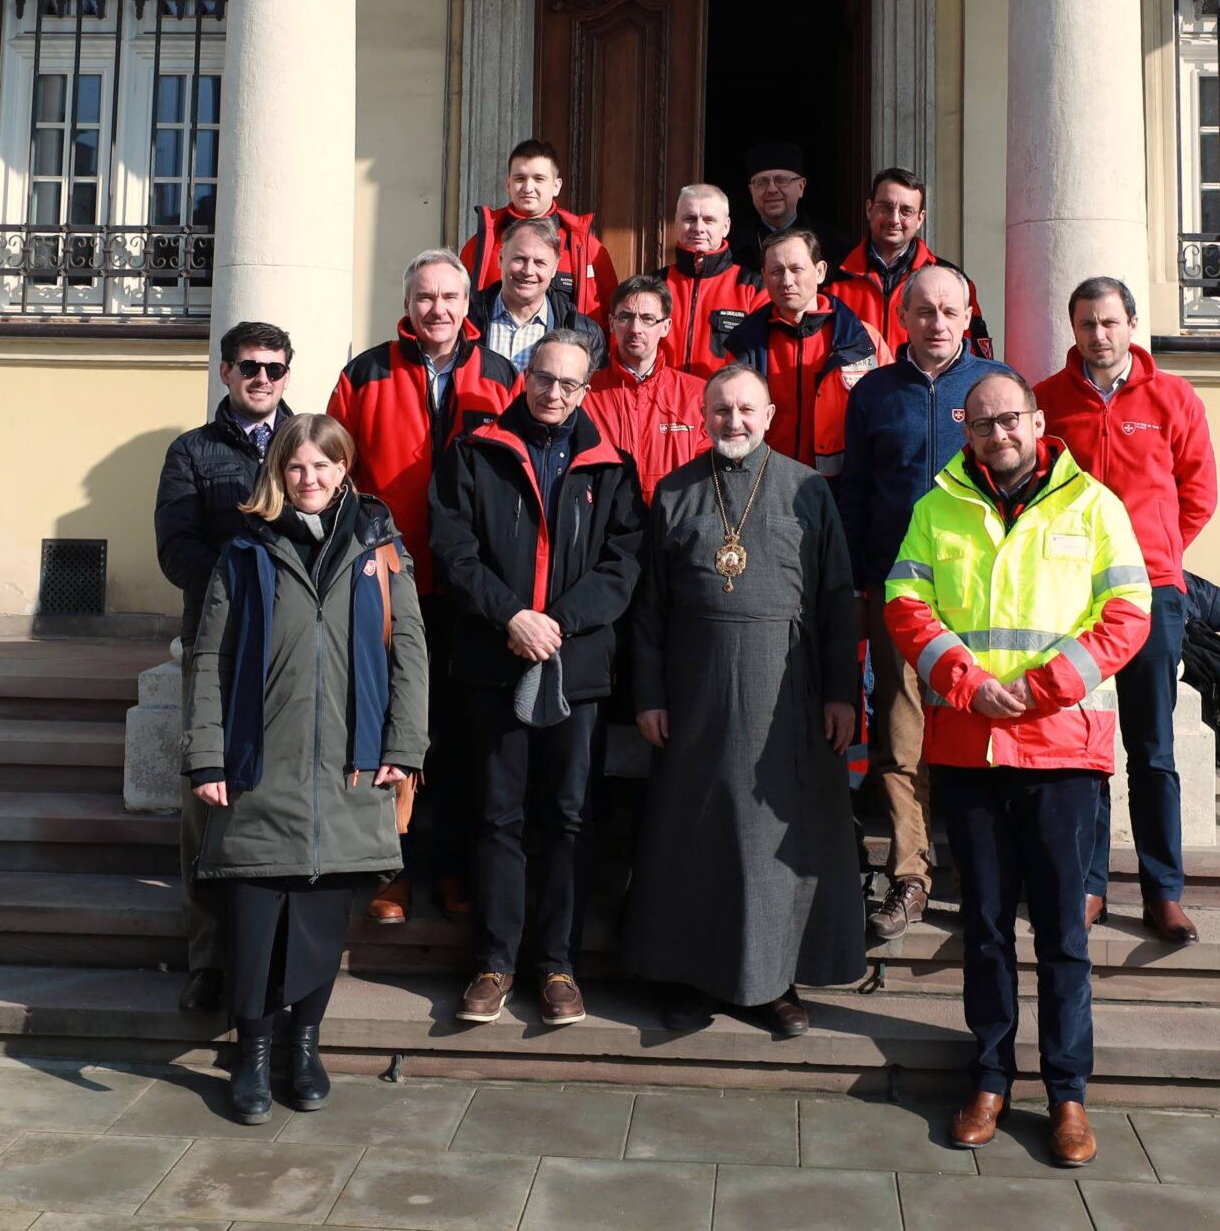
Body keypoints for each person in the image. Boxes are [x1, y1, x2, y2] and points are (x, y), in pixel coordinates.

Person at [882, 371, 1153, 1167]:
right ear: (966, 431)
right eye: (983, 423)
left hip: (1061, 748)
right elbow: (905, 603)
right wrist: (966, 682)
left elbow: (1127, 615)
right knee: (987, 930)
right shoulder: (937, 508)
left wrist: (1040, 687)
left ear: (1038, 421)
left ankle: (1067, 1094)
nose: (998, 434)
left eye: (1011, 420)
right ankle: (991, 1077)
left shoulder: (1093, 505)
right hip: (970, 745)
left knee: (1065, 936)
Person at [184, 413, 428, 1125]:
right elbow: (210, 659)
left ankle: (305, 1044)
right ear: (279, 473)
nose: (310, 478)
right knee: (256, 918)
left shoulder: (379, 549)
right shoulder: (246, 550)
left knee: (321, 919)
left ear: (345, 470)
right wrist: (206, 753)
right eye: (297, 466)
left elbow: (409, 651)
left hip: (349, 770)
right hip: (260, 765)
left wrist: (404, 747)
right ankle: (254, 1051)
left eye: (324, 465)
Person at [620, 366, 867, 1037]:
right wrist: (648, 695)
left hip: (786, 693)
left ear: (770, 413)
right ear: (702, 415)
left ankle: (772, 982)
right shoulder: (675, 491)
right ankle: (689, 977)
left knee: (770, 844)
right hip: (693, 692)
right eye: (721, 410)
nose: (734, 422)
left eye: (746, 410)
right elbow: (648, 612)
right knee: (695, 836)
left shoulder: (807, 490)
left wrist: (844, 694)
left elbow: (836, 599)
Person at [431, 333, 644, 1028]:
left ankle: (557, 965)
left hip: (575, 668)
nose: (555, 392)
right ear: (524, 377)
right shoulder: (476, 451)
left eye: (570, 383)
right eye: (544, 378)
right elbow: (453, 549)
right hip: (496, 660)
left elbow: (623, 564)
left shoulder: (611, 465)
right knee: (497, 815)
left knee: (570, 817)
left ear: (588, 390)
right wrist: (511, 617)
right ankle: (493, 963)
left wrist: (557, 623)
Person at [329, 249, 520, 925]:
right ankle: (390, 869)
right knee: (391, 727)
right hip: (388, 582)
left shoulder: (501, 376)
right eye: (424, 297)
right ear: (406, 302)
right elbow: (333, 476)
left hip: (471, 588)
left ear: (469, 304)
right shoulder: (365, 372)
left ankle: (454, 869)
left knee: (465, 734)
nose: (436, 309)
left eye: (449, 297)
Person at [825, 268, 1013, 944]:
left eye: (950, 311)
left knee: (970, 730)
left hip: (977, 594)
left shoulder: (995, 386)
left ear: (968, 315)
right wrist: (851, 580)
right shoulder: (875, 390)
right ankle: (911, 874)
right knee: (900, 736)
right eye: (924, 310)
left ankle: (976, 863)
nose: (937, 322)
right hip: (894, 590)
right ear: (902, 315)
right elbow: (854, 492)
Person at [1033, 278, 1218, 944]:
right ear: (1074, 328)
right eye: (1086, 324)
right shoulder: (1047, 402)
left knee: (1152, 749)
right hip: (1072, 600)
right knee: (1084, 749)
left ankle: (1163, 890)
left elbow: (1198, 493)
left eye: (1109, 322)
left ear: (1131, 324)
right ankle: (1087, 886)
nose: (1098, 335)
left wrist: (1154, 559)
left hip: (1152, 598)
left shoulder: (1173, 398)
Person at [154, 320, 296, 1014]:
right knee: (205, 802)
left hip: (297, 651)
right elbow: (175, 548)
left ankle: (280, 958)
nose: (261, 378)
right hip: (218, 645)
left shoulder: (310, 444)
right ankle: (209, 959)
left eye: (273, 367)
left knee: (285, 792)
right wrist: (240, 586)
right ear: (225, 371)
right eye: (249, 366)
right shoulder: (192, 451)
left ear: (287, 374)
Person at [720, 228, 877, 468]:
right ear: (763, 276)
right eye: (776, 271)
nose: (786, 281)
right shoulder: (744, 344)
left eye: (796, 269)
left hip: (842, 487)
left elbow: (885, 416)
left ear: (820, 271)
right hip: (767, 481)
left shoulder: (864, 341)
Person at [825, 168, 992, 361]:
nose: (894, 219)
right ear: (869, 209)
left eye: (906, 211)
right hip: (855, 391)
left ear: (920, 218)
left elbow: (975, 363)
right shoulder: (831, 280)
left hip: (924, 390)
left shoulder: (953, 281)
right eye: (885, 207)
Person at [459, 138, 620, 319]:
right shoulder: (481, 245)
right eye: (520, 178)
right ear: (508, 184)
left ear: (556, 186)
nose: (528, 188)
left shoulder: (587, 248)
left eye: (538, 179)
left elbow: (614, 316)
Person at [583, 275, 708, 501]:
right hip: (607, 527)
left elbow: (710, 474)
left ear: (665, 327)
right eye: (626, 317)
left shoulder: (697, 396)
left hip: (674, 525)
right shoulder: (586, 393)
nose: (635, 328)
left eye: (648, 319)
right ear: (611, 323)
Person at [468, 216, 602, 370]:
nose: (528, 271)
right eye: (519, 259)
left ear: (554, 268)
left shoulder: (585, 334)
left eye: (540, 263)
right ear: (500, 258)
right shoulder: (465, 320)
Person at [660, 183, 765, 377]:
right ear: (675, 224)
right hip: (662, 403)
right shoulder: (653, 285)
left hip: (724, 403)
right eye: (689, 219)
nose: (698, 228)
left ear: (726, 227)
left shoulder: (754, 289)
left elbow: (765, 360)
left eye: (709, 220)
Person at [731, 139, 845, 272]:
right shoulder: (732, 245)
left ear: (801, 187)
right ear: (751, 191)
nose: (772, 189)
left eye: (781, 180)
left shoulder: (833, 245)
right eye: (762, 182)